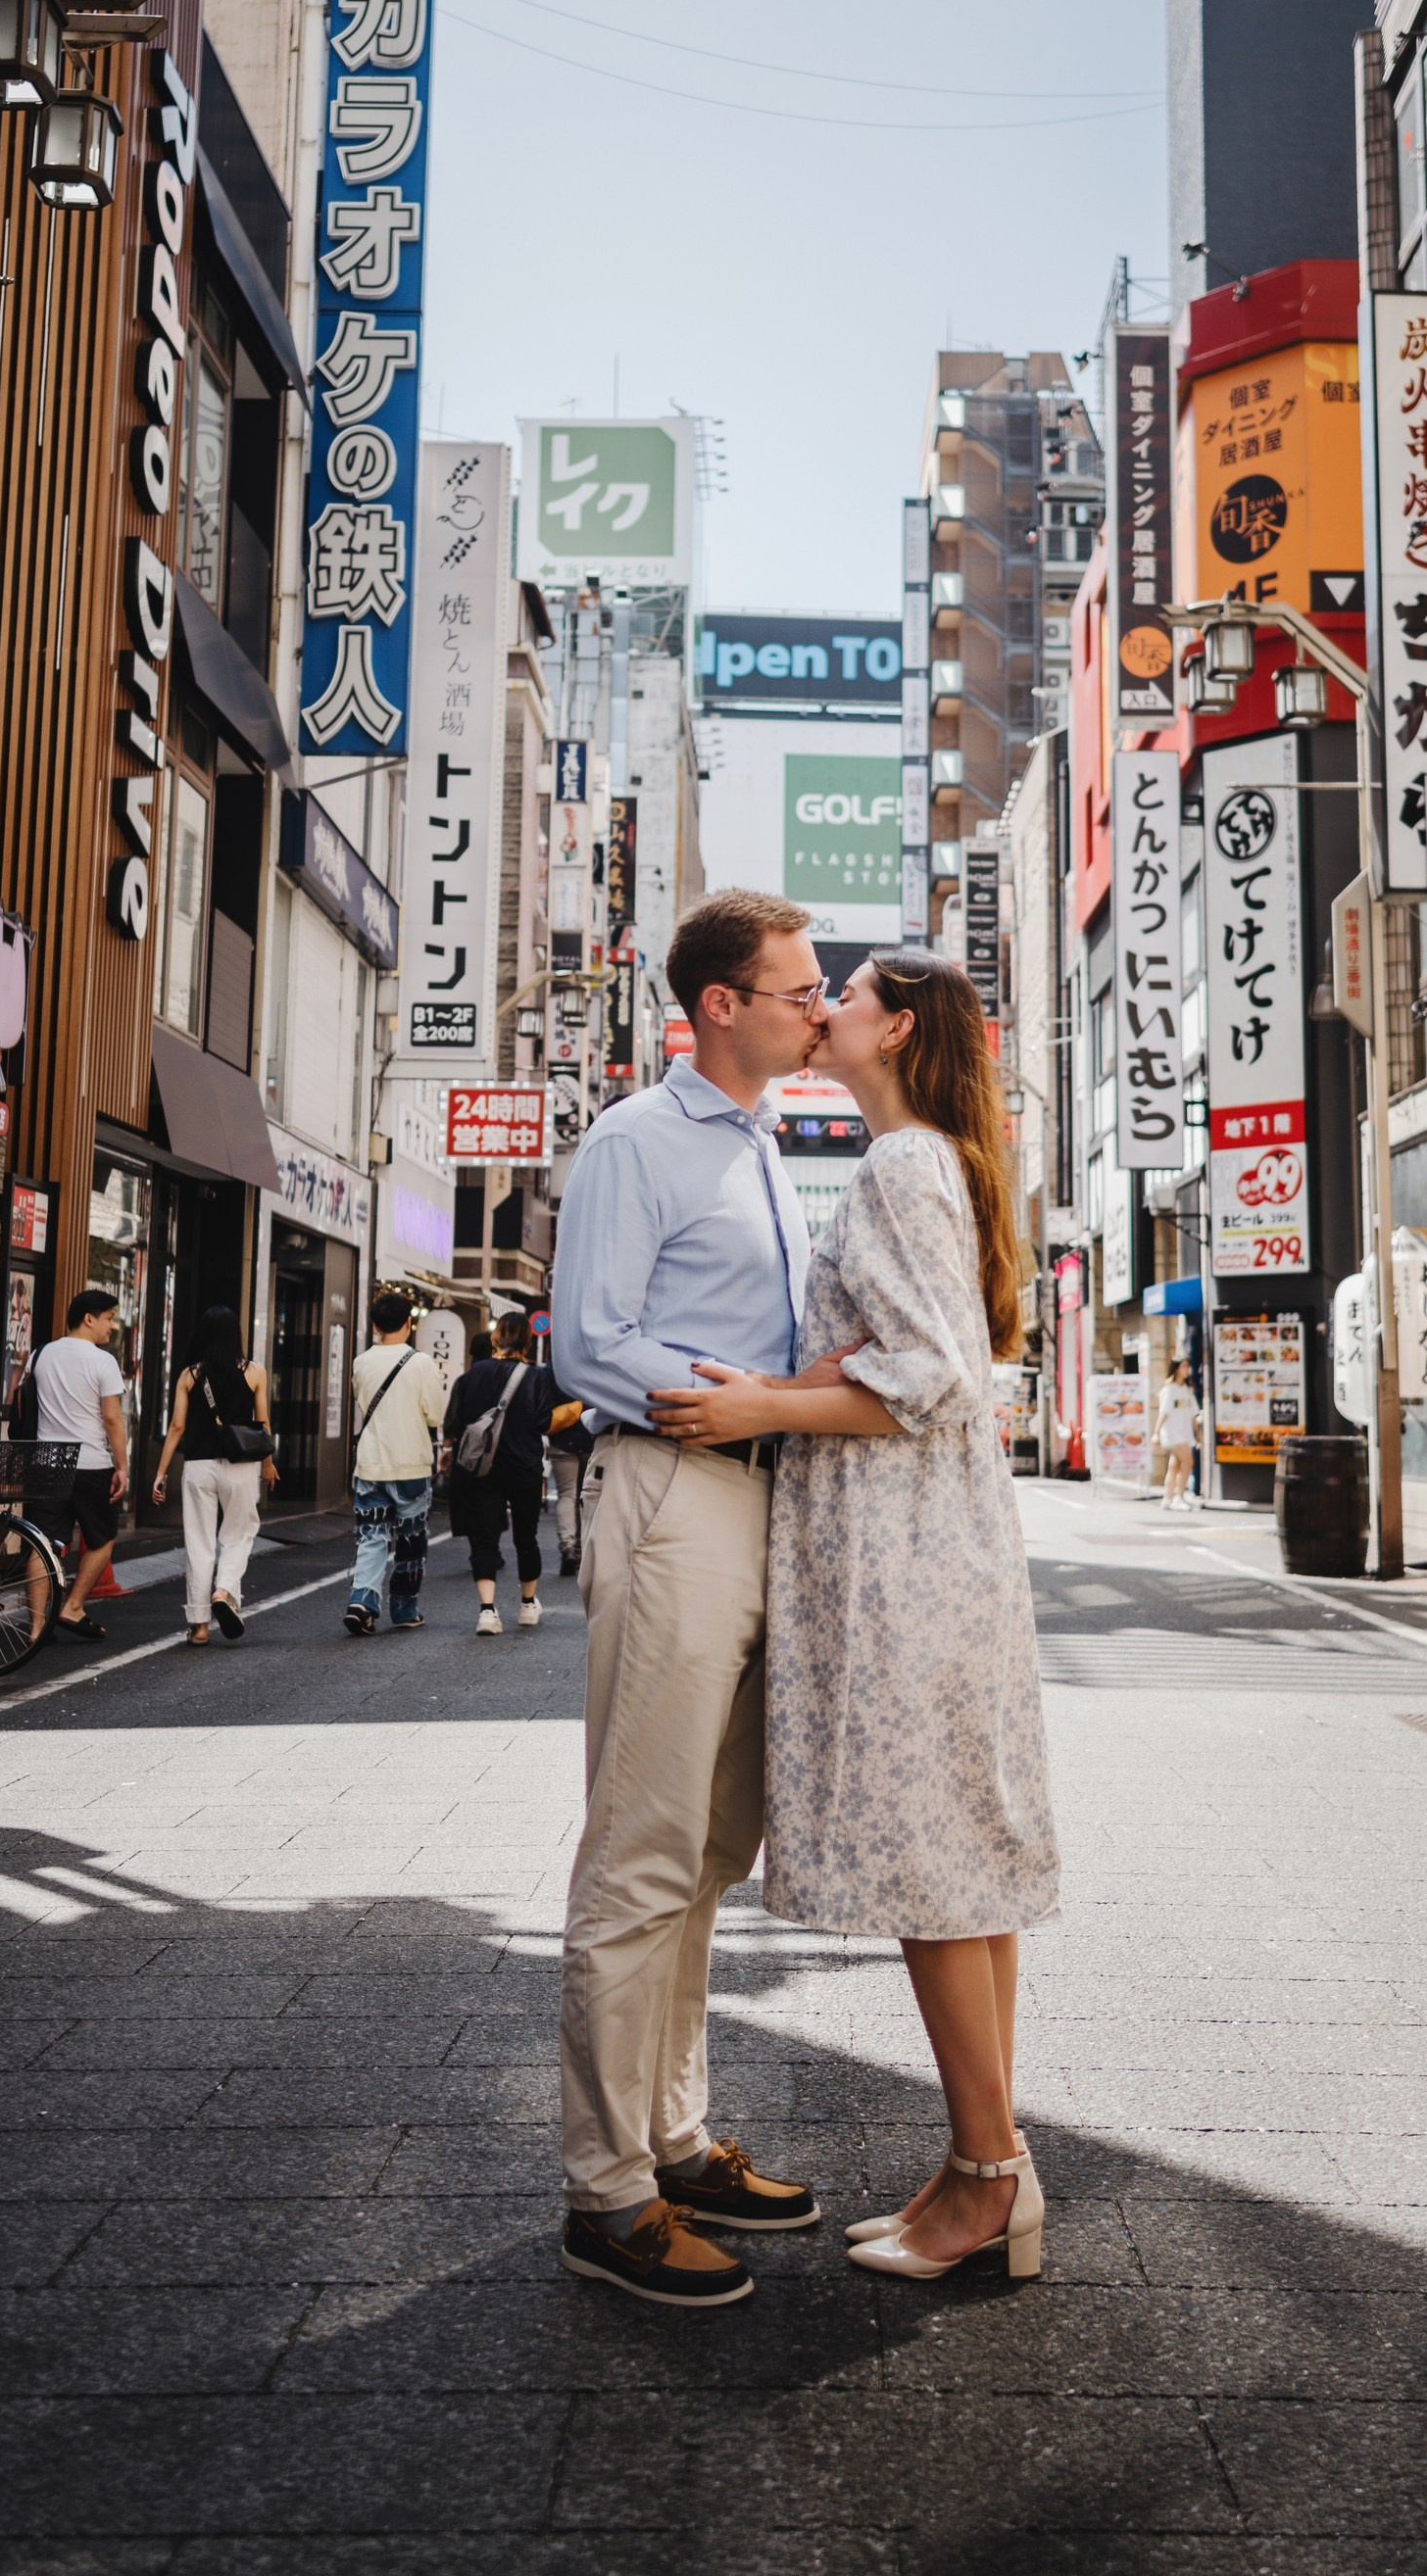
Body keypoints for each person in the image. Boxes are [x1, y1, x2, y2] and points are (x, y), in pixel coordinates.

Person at [651, 949, 1060, 2286]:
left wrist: (763, 1403)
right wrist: (808, 1376)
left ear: (898, 1029)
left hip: (902, 1554)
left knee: (940, 1874)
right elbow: (935, 1357)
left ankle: (989, 2179)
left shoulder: (895, 1165)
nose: (821, 1005)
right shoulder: (933, 1158)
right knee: (968, 1869)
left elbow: (931, 1376)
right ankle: (985, 2167)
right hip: (944, 1544)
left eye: (850, 991)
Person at [547, 887, 829, 2310]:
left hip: (759, 1494)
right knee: (643, 1848)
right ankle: (606, 2190)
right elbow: (586, 1338)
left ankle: (672, 2135)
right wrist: (731, 1404)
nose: (819, 1007)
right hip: (670, 1487)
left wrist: (780, 1410)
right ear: (720, 1004)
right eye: (797, 988)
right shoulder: (637, 1140)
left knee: (715, 1848)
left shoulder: (765, 1147)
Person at [441, 1310, 578, 1635]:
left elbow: (456, 1420)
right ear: (528, 1341)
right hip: (524, 1468)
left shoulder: (473, 1375)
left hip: (482, 1469)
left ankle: (487, 1612)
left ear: (495, 1338)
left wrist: (448, 1451)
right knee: (526, 1537)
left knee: (485, 1537)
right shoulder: (534, 1378)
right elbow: (544, 1422)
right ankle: (528, 1605)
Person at [150, 1303, 276, 1646]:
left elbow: (177, 1427)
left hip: (198, 1466)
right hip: (240, 1466)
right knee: (240, 1532)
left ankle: (199, 1625)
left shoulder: (189, 1375)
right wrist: (267, 1463)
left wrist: (160, 1473)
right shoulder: (255, 1372)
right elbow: (262, 1424)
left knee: (199, 1541)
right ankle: (224, 1591)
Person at [24, 1289, 129, 1643]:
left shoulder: (40, 1355)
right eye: (109, 1317)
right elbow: (112, 1420)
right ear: (89, 1318)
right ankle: (73, 1607)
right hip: (91, 1464)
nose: (112, 1326)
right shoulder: (103, 1361)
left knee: (42, 1544)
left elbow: (21, 1405)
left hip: (47, 1461)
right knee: (102, 1538)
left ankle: (37, 1629)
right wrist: (123, 1467)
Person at [345, 1288, 446, 1635]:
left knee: (371, 1536)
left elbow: (362, 1405)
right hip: (410, 1465)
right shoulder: (420, 1363)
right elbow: (434, 1414)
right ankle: (404, 1609)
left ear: (375, 1325)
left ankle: (362, 1601)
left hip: (371, 1464)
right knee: (410, 1538)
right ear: (408, 1323)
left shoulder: (361, 1362)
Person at [548, 1401, 594, 1577]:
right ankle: (580, 1552)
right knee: (587, 1496)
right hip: (592, 1440)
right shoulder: (600, 1374)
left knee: (567, 1494)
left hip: (562, 1441)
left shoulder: (554, 1375)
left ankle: (567, 1546)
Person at [1156, 1358, 1199, 1507]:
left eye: (1188, 1366)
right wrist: (1156, 1434)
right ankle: (1178, 1497)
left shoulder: (1186, 1390)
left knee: (1174, 1465)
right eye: (1184, 1366)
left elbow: (1194, 1415)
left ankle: (1167, 1498)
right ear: (1176, 1369)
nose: (1187, 1369)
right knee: (1188, 1461)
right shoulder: (1169, 1389)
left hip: (1184, 1433)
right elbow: (1163, 1413)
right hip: (1172, 1433)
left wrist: (1198, 1436)